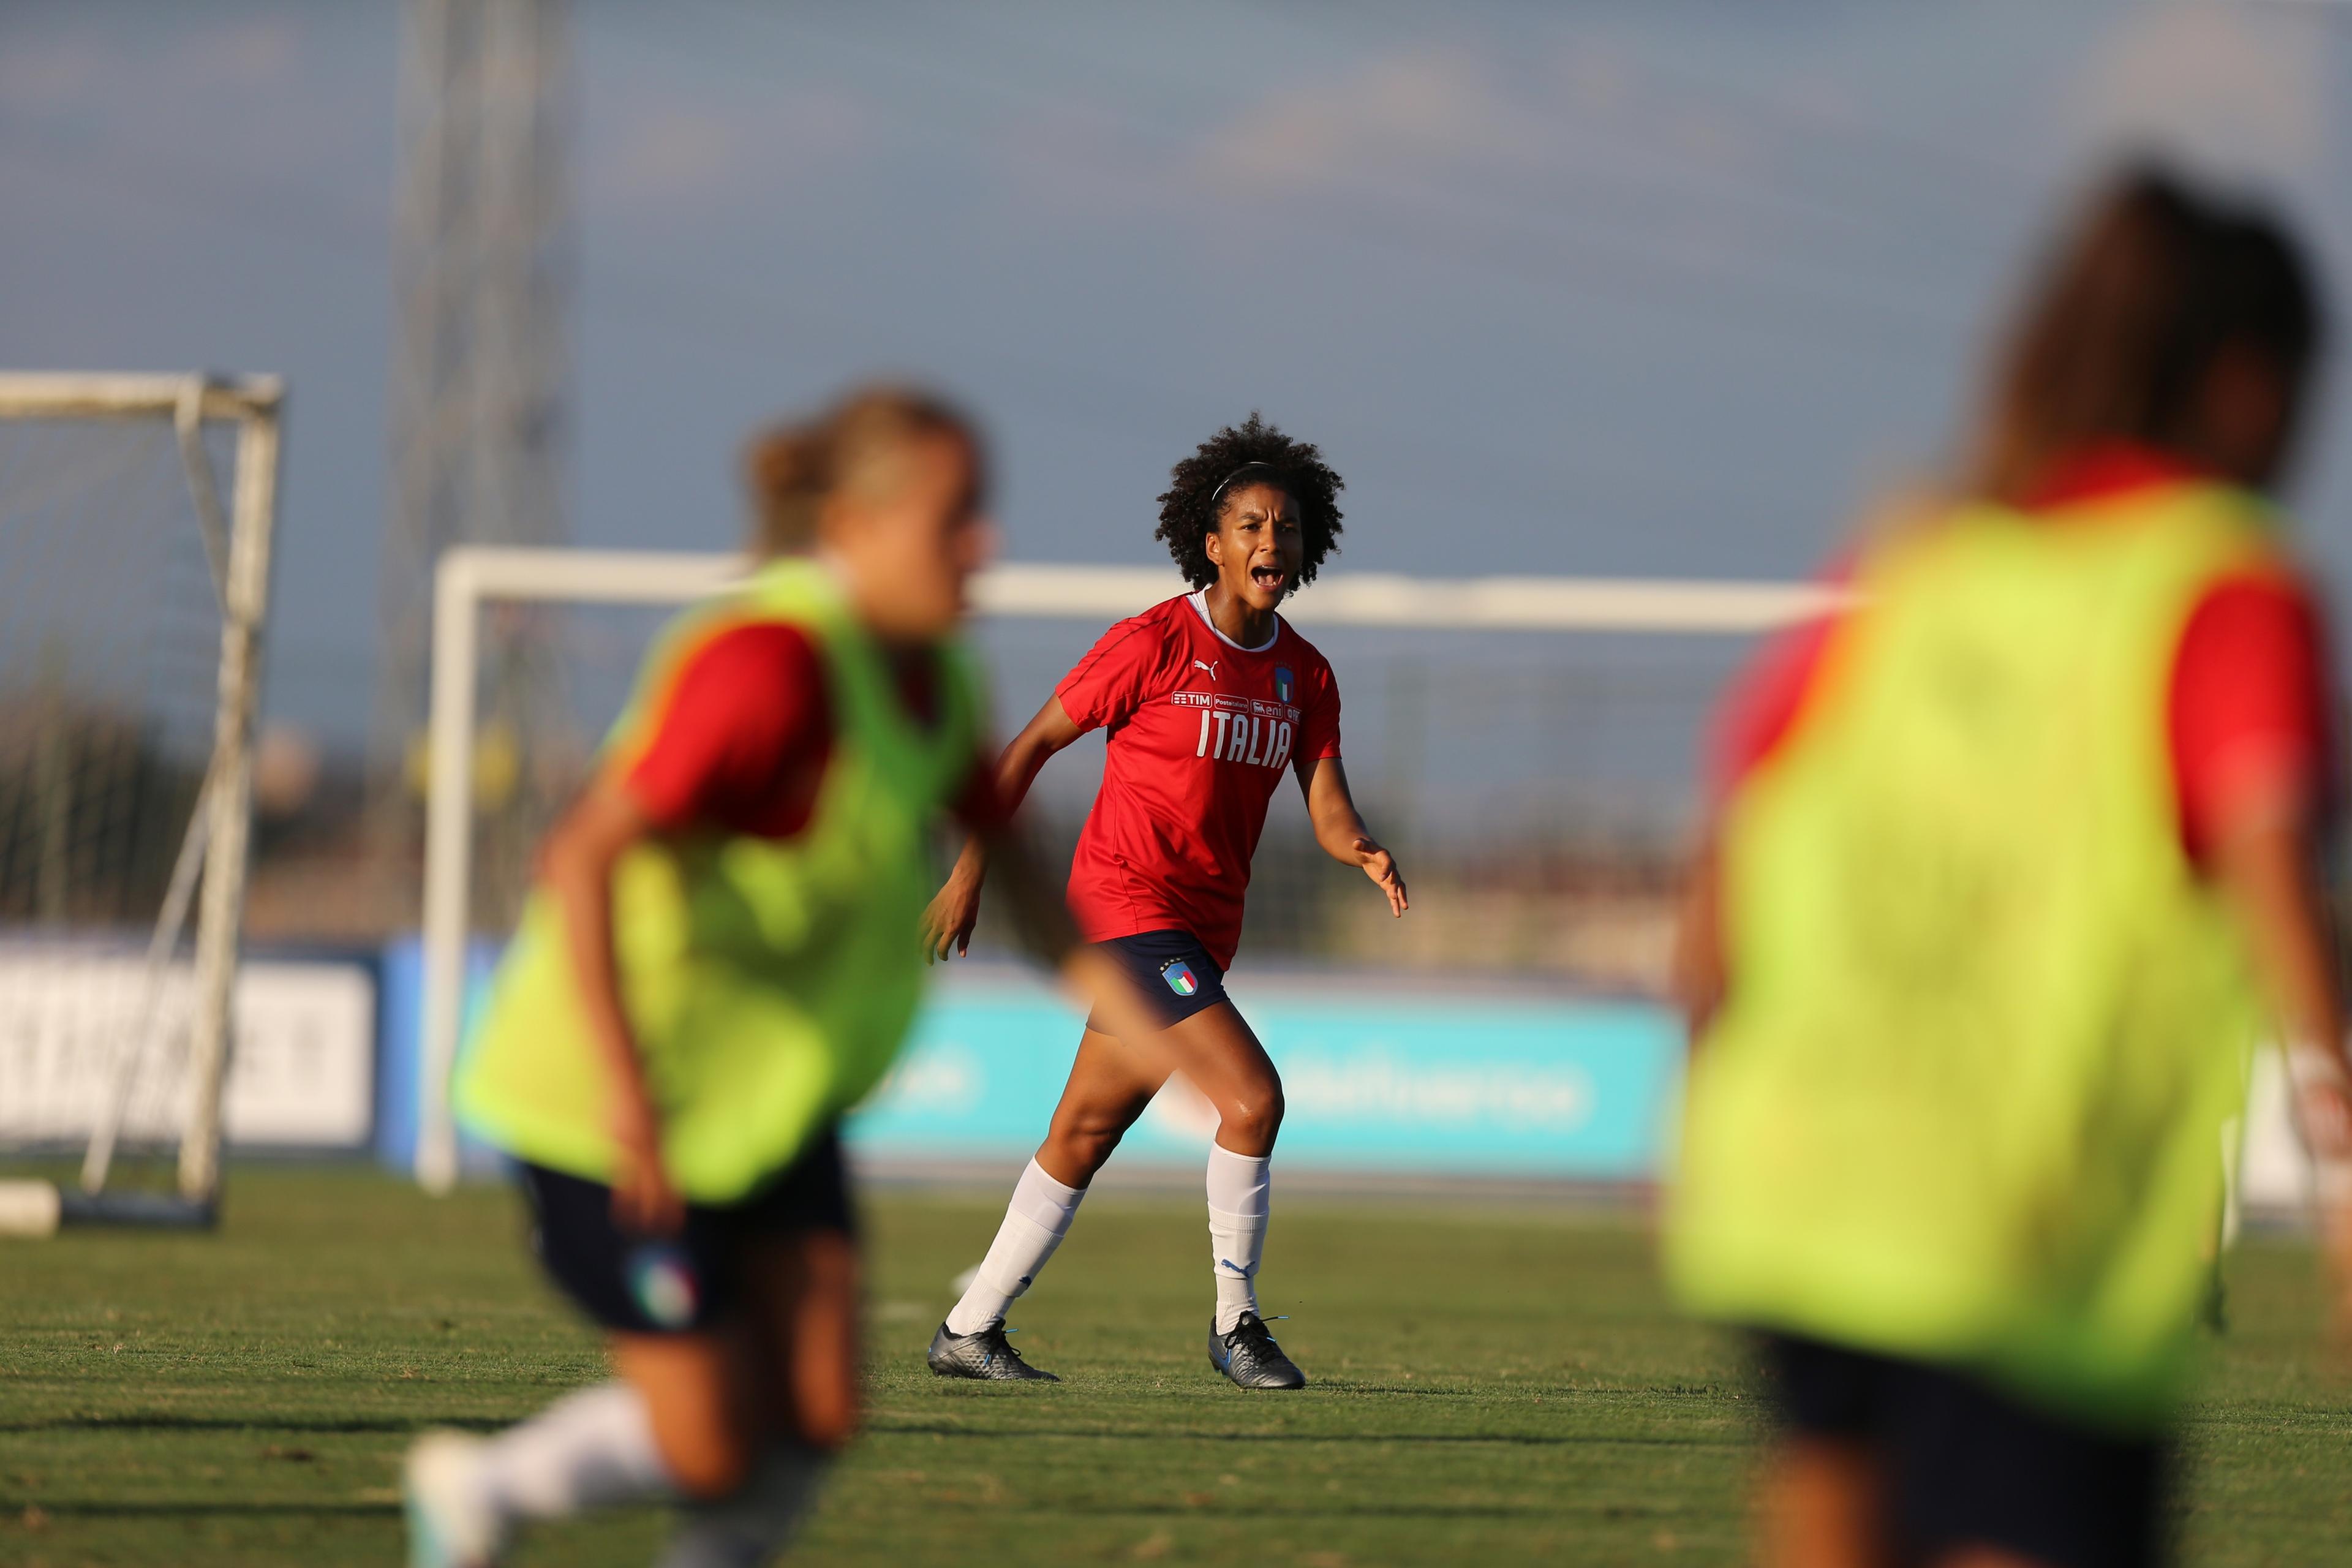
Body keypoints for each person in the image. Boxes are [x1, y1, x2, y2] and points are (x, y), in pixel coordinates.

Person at [1667, 165, 2352, 1568]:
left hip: (1794, 1187)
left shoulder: (1917, 566)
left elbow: (1719, 897)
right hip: (2018, 1219)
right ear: (2245, 386)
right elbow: (2272, 874)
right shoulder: (2219, 581)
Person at [404, 386, 1153, 1568]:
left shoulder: (941, 684)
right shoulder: (767, 663)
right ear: (853, 524)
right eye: (955, 518)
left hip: (764, 1102)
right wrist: (629, 1093)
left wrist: (1143, 1024)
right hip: (611, 1105)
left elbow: (1018, 887)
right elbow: (584, 853)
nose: (985, 544)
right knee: (712, 1447)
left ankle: (495, 1498)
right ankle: (484, 1491)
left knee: (816, 1421)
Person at [919, 413, 1408, 1390]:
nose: (1274, 542)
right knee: (1253, 1099)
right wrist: (970, 872)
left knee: (1085, 1135)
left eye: (1290, 528)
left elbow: (1325, 805)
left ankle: (968, 1330)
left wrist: (1359, 847)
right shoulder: (1151, 642)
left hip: (1200, 928)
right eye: (1255, 526)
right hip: (1123, 909)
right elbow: (1023, 751)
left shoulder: (1305, 674)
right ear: (1214, 543)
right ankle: (1238, 1326)